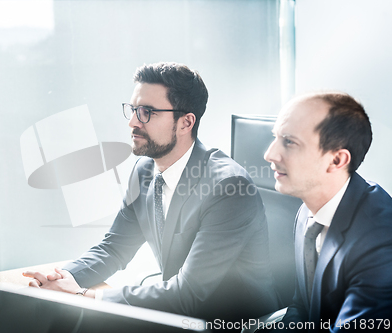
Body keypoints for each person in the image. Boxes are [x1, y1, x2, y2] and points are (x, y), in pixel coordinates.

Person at [24, 62, 278, 322]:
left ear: (185, 122)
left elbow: (188, 294)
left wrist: (85, 296)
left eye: (148, 112)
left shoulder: (229, 188)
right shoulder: (145, 170)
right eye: (133, 110)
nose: (134, 121)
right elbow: (114, 247)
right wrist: (62, 278)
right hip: (178, 314)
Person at [264, 92, 392, 331]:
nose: (270, 154)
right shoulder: (307, 213)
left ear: (336, 160)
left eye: (289, 142)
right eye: (275, 138)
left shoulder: (381, 239)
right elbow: (301, 307)